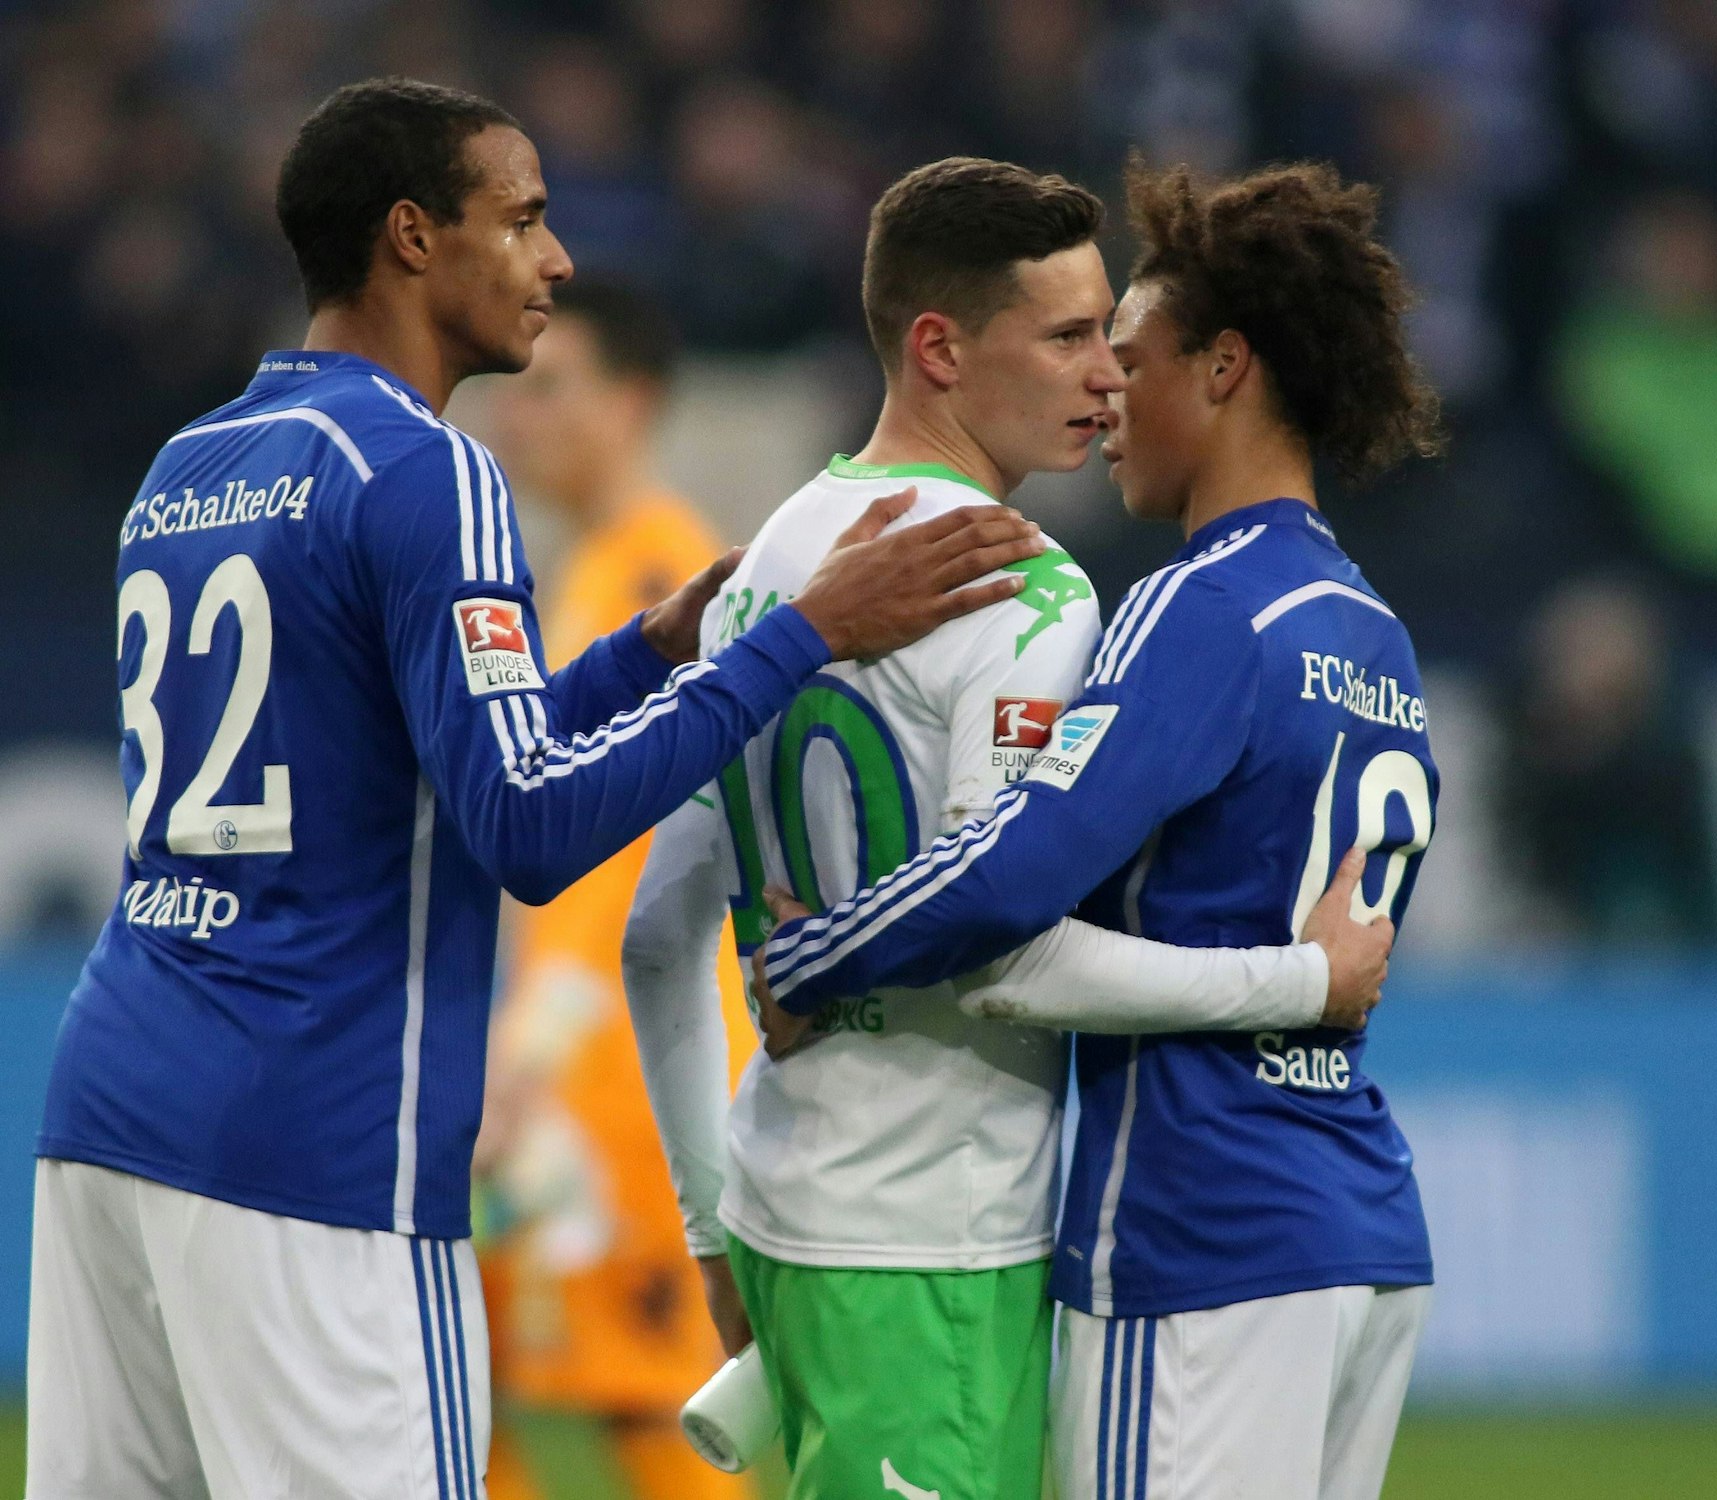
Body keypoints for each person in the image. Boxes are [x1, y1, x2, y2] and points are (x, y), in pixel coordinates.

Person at [25, 78, 1041, 1500]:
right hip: (310, 1141)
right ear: (411, 239)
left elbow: (405, 772)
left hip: (109, 1115)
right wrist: (811, 634)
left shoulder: (190, 467)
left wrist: (645, 651)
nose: (557, 259)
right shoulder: (427, 471)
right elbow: (527, 827)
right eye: (522, 217)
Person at [620, 156, 1397, 1500]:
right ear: (938, 348)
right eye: (1067, 337)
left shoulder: (770, 569)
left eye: (1109, 334)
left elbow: (656, 938)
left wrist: (707, 1232)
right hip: (937, 1234)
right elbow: (1008, 952)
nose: (1107, 374)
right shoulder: (1020, 595)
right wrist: (1301, 983)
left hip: (780, 1209)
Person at [476, 284, 759, 1500]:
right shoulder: (593, 575)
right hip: (588, 1069)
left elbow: (634, 872)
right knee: (518, 1392)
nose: (518, 422)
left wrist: (528, 1052)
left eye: (553, 389)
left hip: (630, 1079)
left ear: (633, 402)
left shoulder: (662, 576)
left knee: (647, 1400)